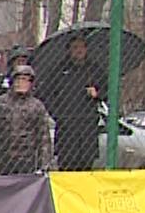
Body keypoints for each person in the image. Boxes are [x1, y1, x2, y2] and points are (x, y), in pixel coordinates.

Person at [41, 34, 105, 171]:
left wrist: (97, 93)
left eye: (82, 47)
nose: (79, 50)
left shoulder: (94, 69)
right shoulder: (59, 71)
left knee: (87, 167)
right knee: (67, 167)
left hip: (87, 129)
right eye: (75, 47)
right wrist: (59, 115)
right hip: (66, 130)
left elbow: (107, 91)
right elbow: (46, 94)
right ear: (69, 50)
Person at [0, 64, 55, 174]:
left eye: (25, 80)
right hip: (2, 158)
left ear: (31, 84)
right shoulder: (0, 103)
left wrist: (45, 164)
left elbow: (44, 137)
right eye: (18, 79)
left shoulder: (36, 105)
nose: (20, 83)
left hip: (27, 159)